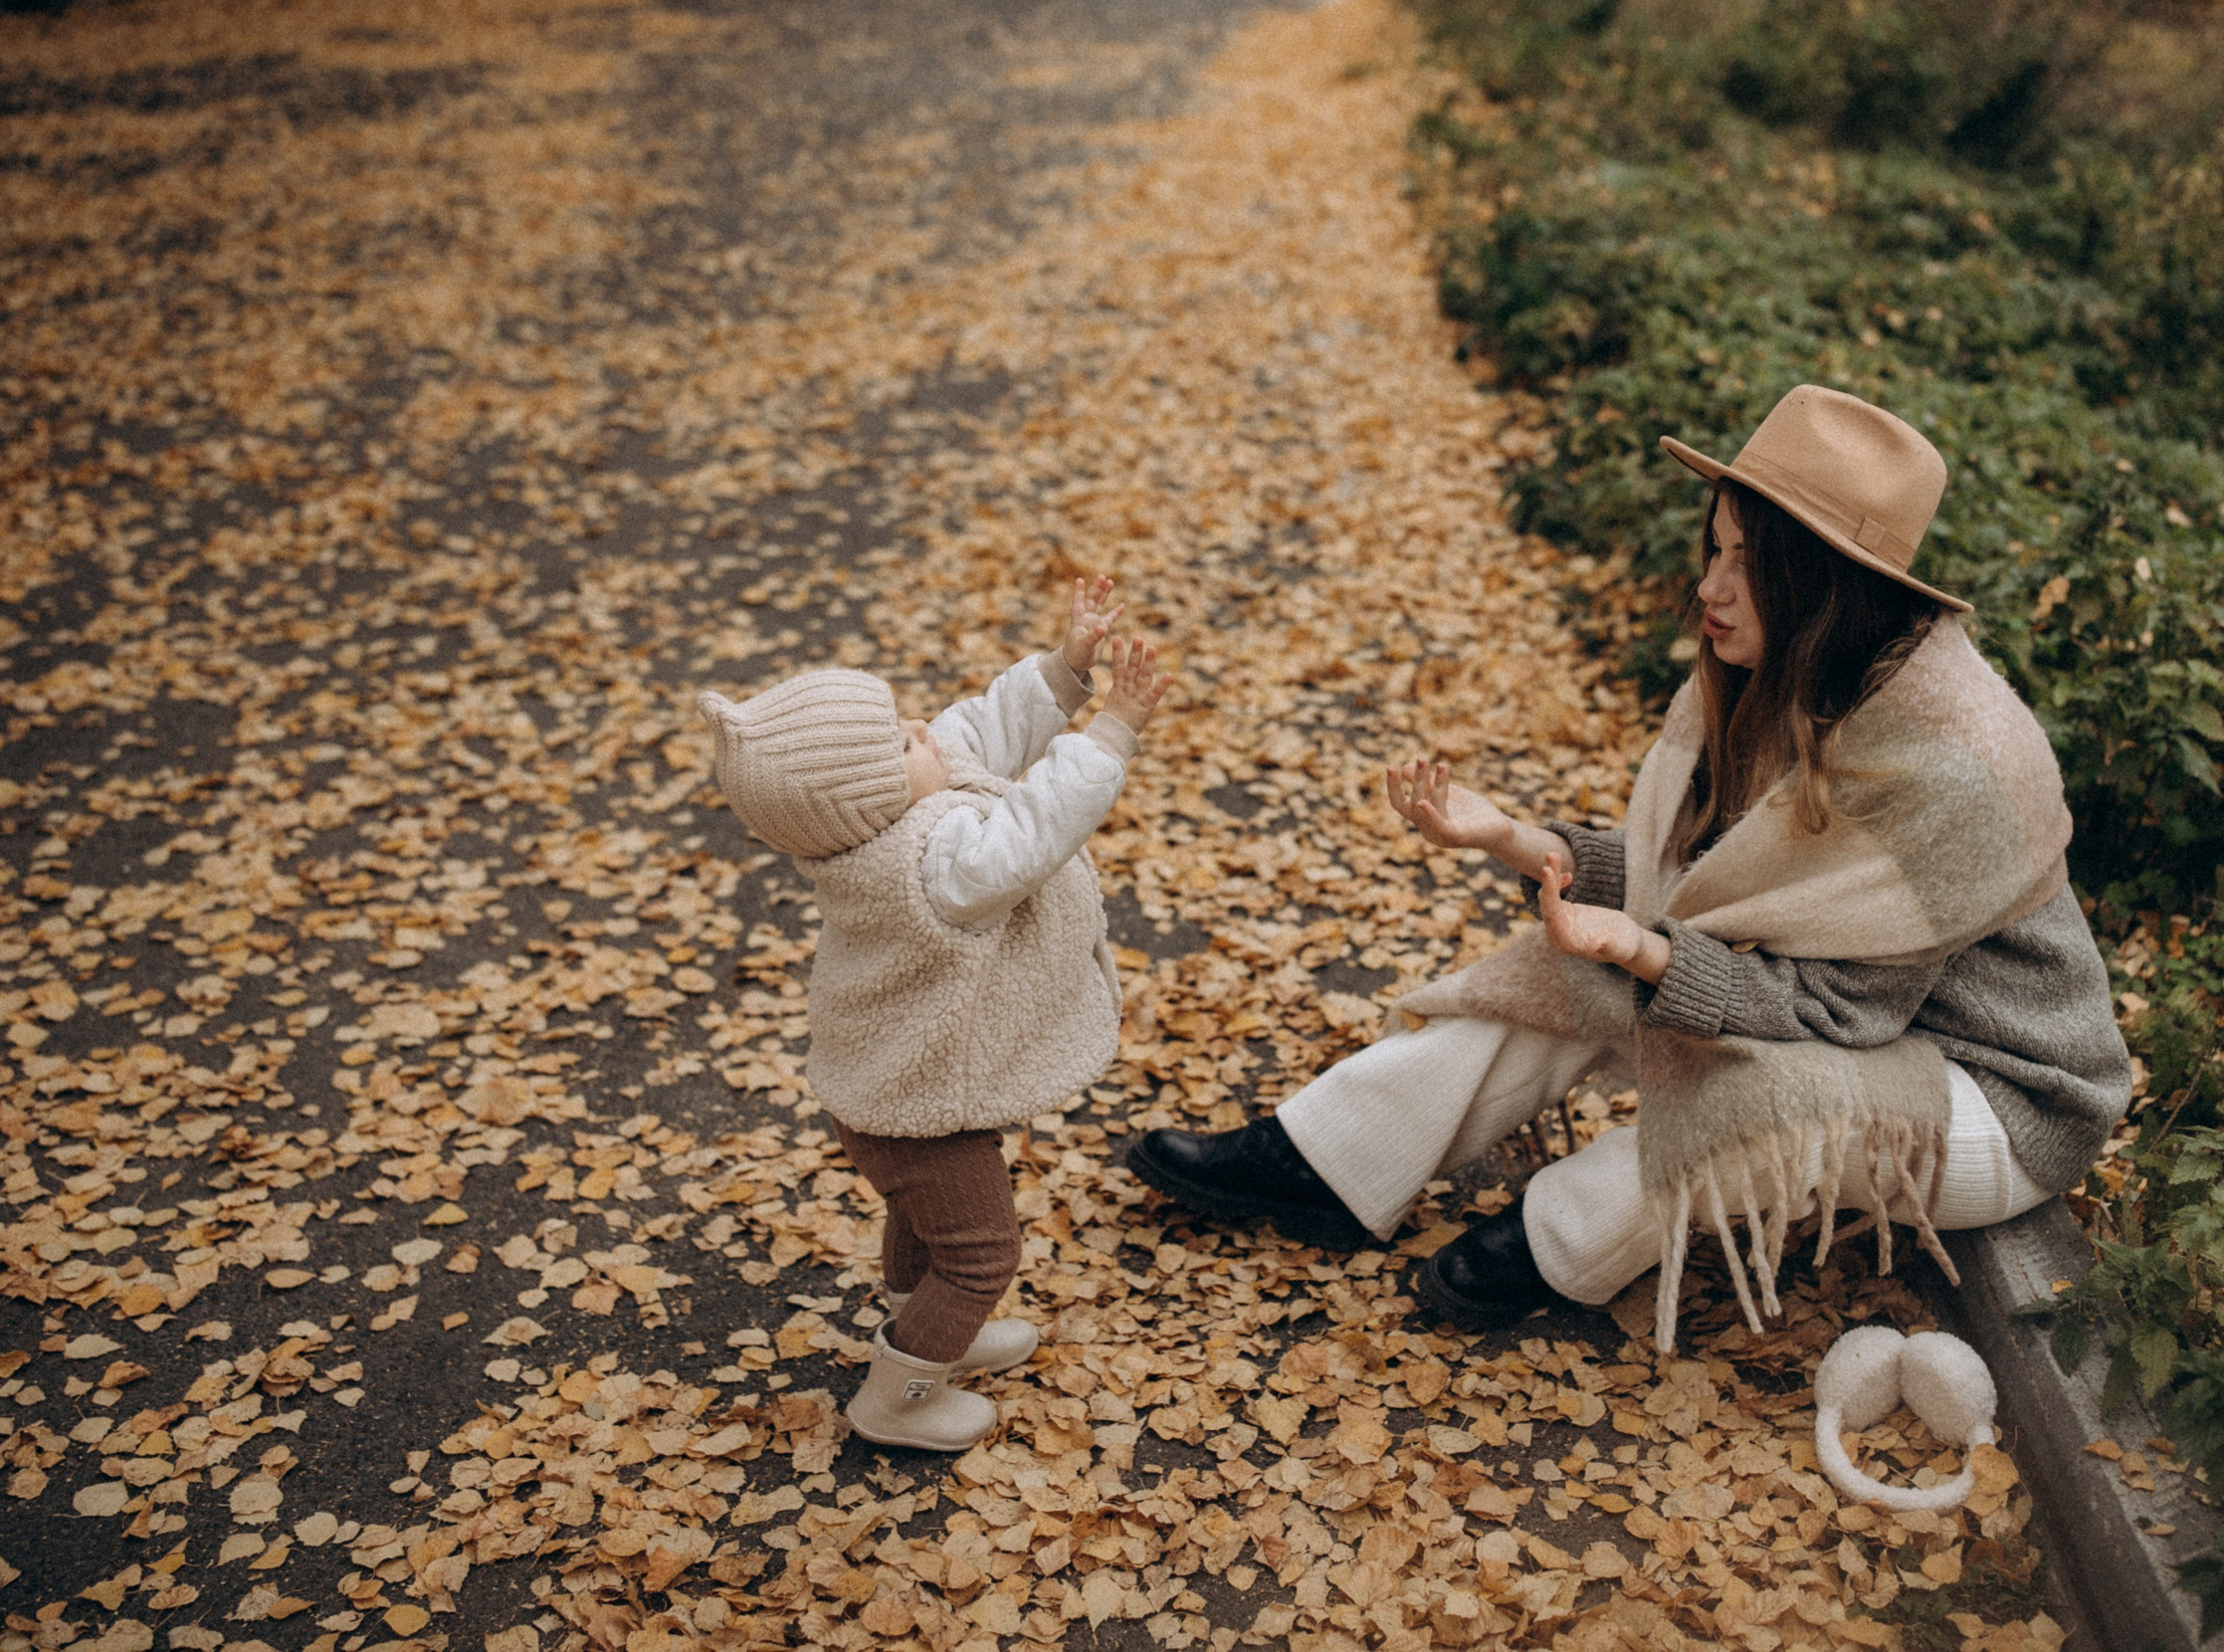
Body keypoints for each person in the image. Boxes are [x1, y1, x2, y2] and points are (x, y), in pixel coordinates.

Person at [1126, 386, 2130, 1348]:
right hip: (1853, 1024)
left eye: (1747, 562)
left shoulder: (1949, 765)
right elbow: (1688, 885)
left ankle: (1557, 1243)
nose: (1709, 586)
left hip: (1992, 1096)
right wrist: (1521, 843)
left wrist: (1652, 956)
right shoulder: (1791, 680)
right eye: (1716, 548)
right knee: (1563, 963)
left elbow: (1833, 1015)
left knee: (1762, 1096)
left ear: (1821, 584)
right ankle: (1326, 1159)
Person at [699, 576, 1172, 1446]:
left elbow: (975, 728)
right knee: (983, 1251)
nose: (922, 729)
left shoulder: (887, 808)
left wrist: (1064, 670)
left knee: (923, 1222)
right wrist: (1113, 730)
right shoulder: (934, 869)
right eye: (897, 738)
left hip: (892, 1093)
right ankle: (899, 1397)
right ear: (871, 795)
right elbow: (1032, 832)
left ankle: (925, 1321)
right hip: (918, 1108)